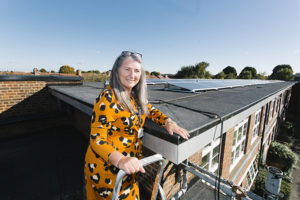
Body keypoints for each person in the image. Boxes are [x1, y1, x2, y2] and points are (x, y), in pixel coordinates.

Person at [84, 51, 189, 200]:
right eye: (127, 69)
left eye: (137, 71)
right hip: (108, 173)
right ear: (117, 71)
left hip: (129, 171)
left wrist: (168, 122)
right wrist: (121, 160)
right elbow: (97, 140)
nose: (132, 75)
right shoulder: (107, 98)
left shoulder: (133, 96)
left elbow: (150, 110)